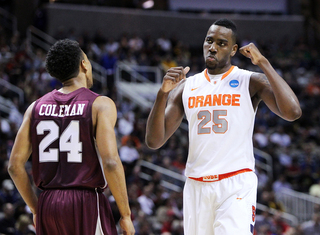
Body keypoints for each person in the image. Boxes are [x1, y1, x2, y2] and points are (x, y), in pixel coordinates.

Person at [145, 18, 301, 234]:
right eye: (209, 41)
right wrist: (162, 95)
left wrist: (263, 63)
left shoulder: (250, 80)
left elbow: (293, 112)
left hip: (235, 183)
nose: (213, 47)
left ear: (233, 49)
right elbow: (154, 141)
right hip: (196, 185)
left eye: (221, 43)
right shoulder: (185, 87)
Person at [8, 39, 135, 235]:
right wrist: (125, 215)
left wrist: (35, 208)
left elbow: (14, 166)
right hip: (85, 202)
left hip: (48, 203)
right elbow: (110, 162)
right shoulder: (100, 104)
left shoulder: (35, 108)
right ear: (84, 64)